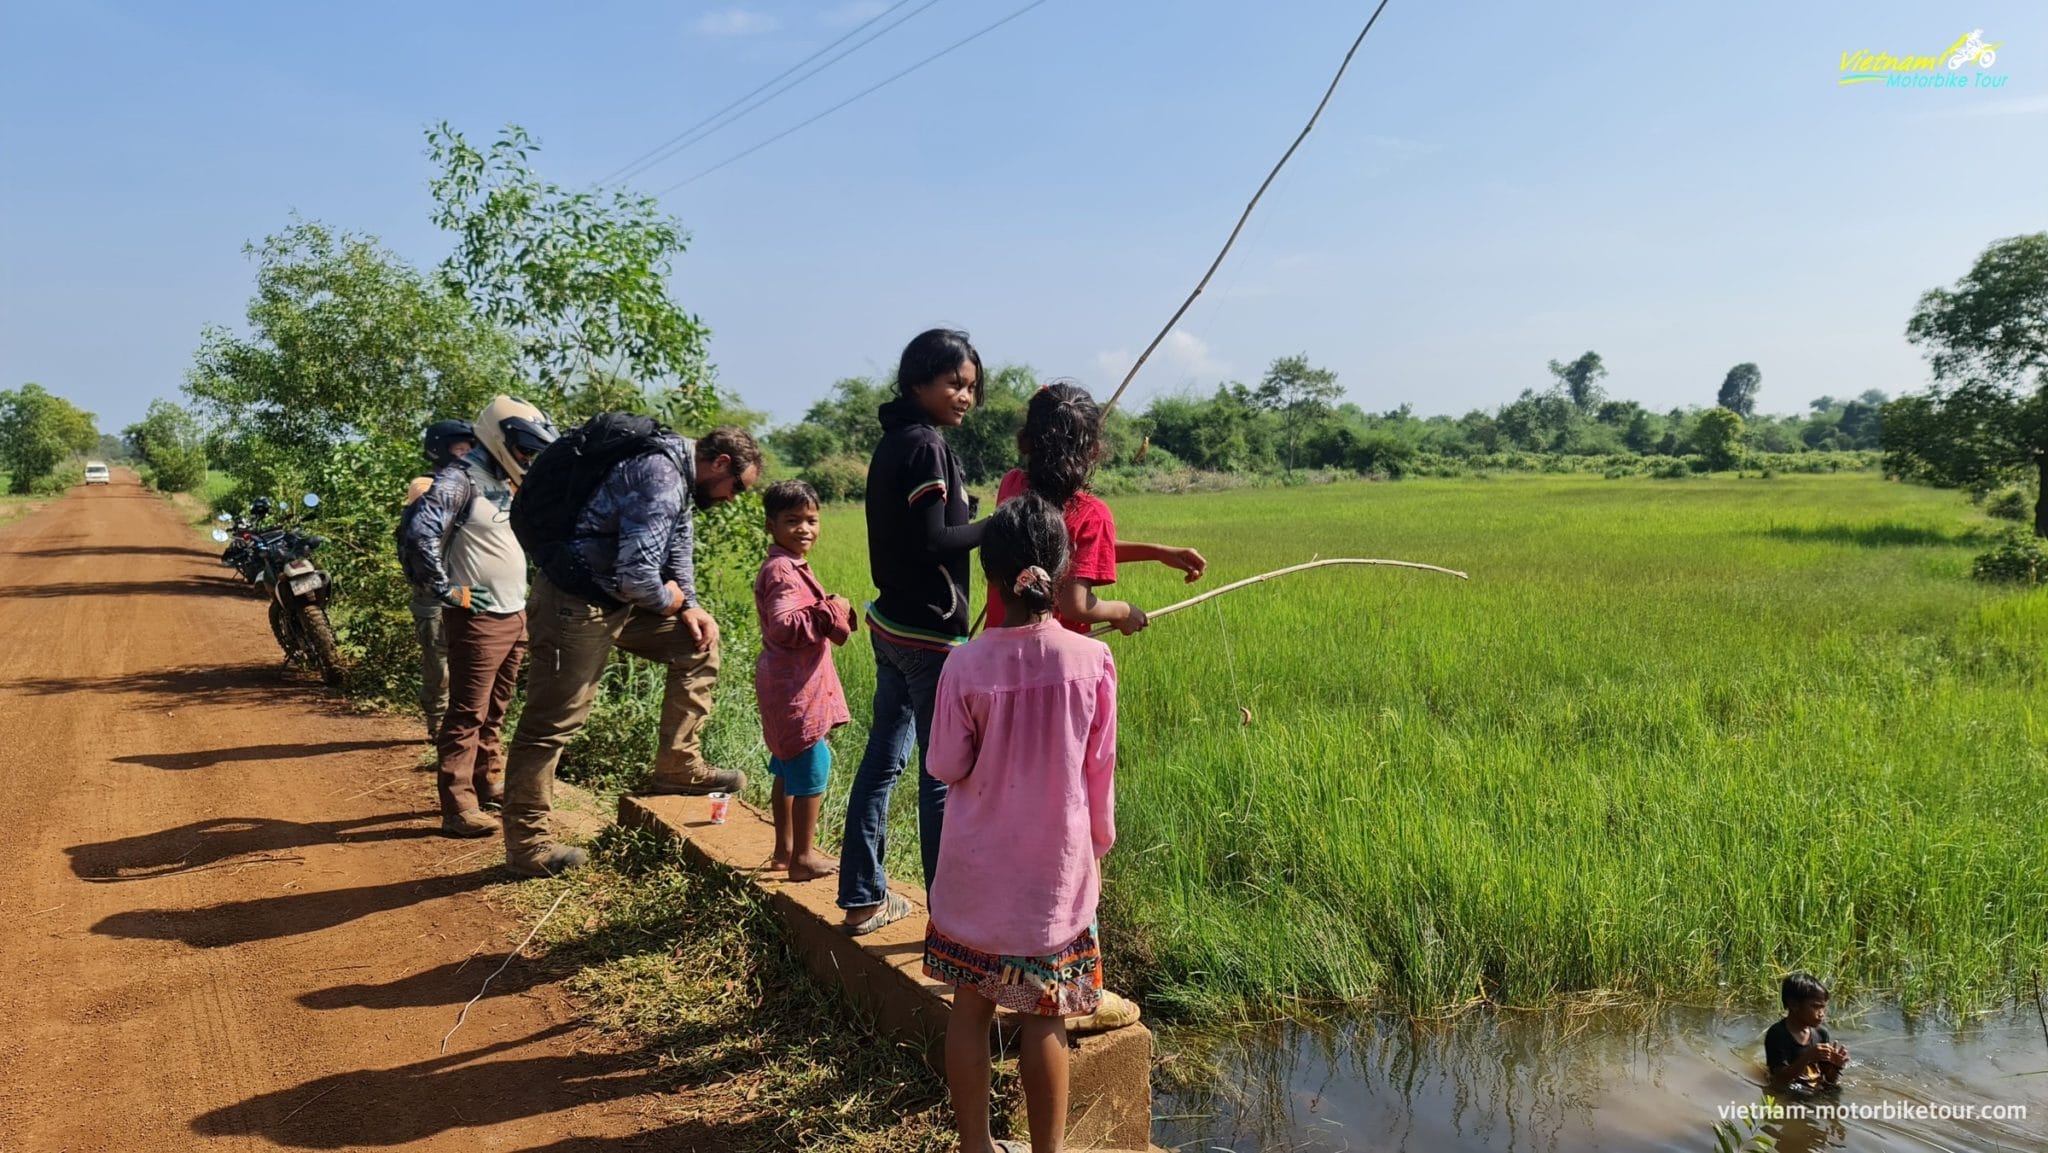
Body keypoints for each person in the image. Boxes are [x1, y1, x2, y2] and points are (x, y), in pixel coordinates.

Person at [923, 492, 1117, 1153]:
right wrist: (1097, 849)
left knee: (971, 1009)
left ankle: (975, 1146)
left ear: (990, 575)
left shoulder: (963, 662)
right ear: (1061, 571)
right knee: (1045, 1016)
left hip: (977, 877)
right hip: (1052, 879)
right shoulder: (1091, 661)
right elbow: (1100, 772)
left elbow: (946, 762)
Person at [500, 420, 762, 877]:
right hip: (575, 603)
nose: (732, 498)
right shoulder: (661, 476)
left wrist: (690, 606)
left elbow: (678, 543)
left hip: (614, 599)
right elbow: (638, 576)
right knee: (552, 721)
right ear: (720, 463)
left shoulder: (679, 472)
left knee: (696, 643)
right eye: (736, 486)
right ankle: (527, 844)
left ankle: (678, 765)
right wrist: (670, 601)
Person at [839, 328, 986, 935]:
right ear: (918, 381)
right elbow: (933, 541)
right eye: (954, 383)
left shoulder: (896, 439)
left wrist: (968, 513)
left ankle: (862, 898)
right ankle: (948, 921)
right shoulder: (926, 446)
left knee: (882, 760)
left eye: (971, 387)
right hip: (928, 635)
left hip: (892, 625)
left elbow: (923, 528)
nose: (965, 396)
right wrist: (1000, 526)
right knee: (940, 775)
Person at [400, 398, 555, 838]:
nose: (527, 457)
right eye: (523, 448)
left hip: (513, 612)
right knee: (467, 712)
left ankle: (487, 781)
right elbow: (420, 532)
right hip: (478, 619)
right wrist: (446, 590)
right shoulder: (459, 478)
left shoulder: (503, 480)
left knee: (496, 709)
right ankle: (458, 806)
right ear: (499, 436)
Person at [984, 382, 1206, 634]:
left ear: (1026, 439)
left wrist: (1156, 552)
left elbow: (1070, 548)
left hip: (996, 648)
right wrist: (1122, 611)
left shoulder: (1011, 486)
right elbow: (1075, 606)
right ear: (1094, 449)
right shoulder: (1092, 514)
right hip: (1055, 654)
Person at [754, 480, 853, 881]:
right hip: (797, 689)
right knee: (813, 768)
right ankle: (803, 858)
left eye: (811, 520)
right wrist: (833, 608)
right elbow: (784, 625)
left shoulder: (786, 565)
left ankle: (784, 851)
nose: (804, 529)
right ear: (771, 525)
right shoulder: (783, 570)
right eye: (792, 520)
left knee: (785, 767)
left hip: (784, 684)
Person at [402, 419, 476, 740]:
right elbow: (423, 533)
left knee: (473, 660)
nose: (467, 456)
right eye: (460, 449)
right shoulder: (425, 485)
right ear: (439, 451)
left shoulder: (481, 484)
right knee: (439, 663)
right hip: (435, 588)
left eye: (471, 449)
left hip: (471, 585)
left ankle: (464, 725)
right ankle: (438, 725)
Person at [1764, 971, 1849, 1090]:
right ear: (1793, 1004)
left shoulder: (1821, 1033)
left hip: (1813, 1089)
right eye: (1815, 1007)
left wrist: (1835, 1067)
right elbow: (1779, 1079)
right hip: (1791, 1091)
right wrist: (1808, 1056)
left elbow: (1829, 1080)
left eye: (1823, 1007)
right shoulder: (1777, 1034)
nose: (1821, 1014)